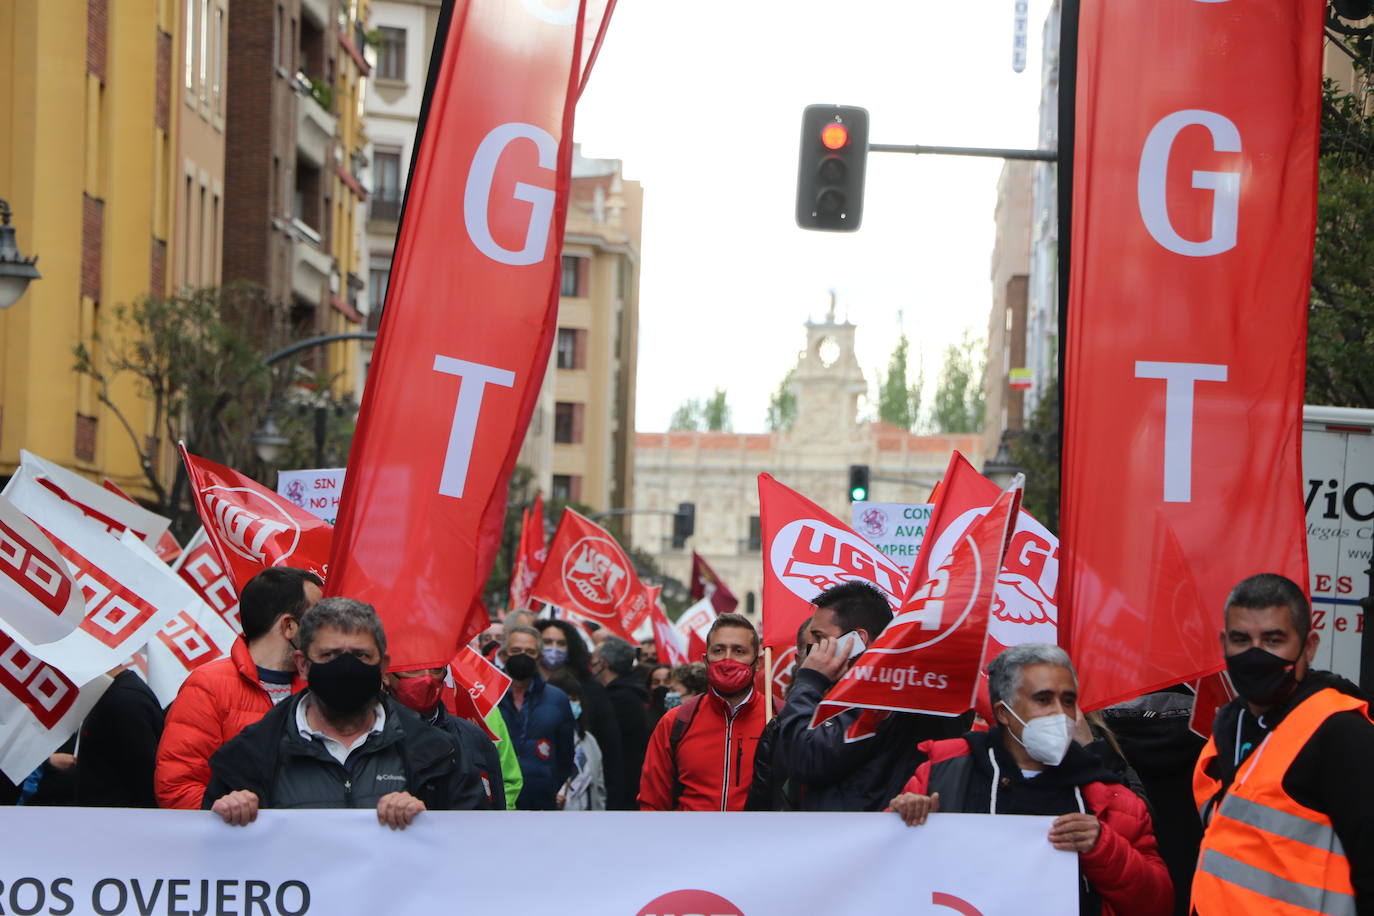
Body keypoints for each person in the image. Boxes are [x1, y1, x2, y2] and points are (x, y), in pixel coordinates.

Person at [890, 643, 1172, 916]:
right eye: (1043, 699)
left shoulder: (1110, 796)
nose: (1060, 713)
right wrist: (902, 823)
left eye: (1068, 701)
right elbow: (885, 875)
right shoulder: (942, 774)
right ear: (1004, 712)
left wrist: (1104, 847)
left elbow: (1158, 905)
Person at [205, 598, 481, 827]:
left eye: (361, 655)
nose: (346, 667)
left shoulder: (439, 753)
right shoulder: (248, 756)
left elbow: (471, 846)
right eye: (329, 655)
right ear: (302, 665)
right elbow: (213, 861)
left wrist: (430, 819)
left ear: (383, 666)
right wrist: (229, 817)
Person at [1192, 573, 1374, 915]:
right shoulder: (1229, 724)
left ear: (1309, 646)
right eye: (1241, 640)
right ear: (1224, 642)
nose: (1255, 654)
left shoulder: (1341, 733)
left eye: (1273, 640)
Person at [775, 581, 966, 811]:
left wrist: (809, 680)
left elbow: (805, 758)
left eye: (819, 638)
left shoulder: (872, 695)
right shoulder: (874, 690)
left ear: (857, 640)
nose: (812, 649)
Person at [156, 567, 323, 808]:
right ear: (289, 626)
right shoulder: (208, 686)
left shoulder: (319, 688)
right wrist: (226, 810)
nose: (328, 628)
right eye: (318, 618)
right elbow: (176, 787)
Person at [638, 613, 768, 811]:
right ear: (706, 660)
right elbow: (652, 802)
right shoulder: (675, 722)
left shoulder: (778, 718)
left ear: (757, 662)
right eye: (719, 650)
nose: (727, 659)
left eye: (739, 651)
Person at [385, 667, 506, 810]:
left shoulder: (474, 736)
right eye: (413, 669)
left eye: (436, 669)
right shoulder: (371, 734)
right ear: (386, 676)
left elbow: (496, 812)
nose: (427, 679)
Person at [536, 618, 624, 805]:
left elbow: (609, 746)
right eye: (547, 642)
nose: (554, 648)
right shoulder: (523, 686)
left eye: (561, 643)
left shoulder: (590, 689)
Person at [497, 625, 575, 810]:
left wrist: (549, 785)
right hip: (498, 801)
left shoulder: (557, 699)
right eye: (516, 650)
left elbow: (566, 756)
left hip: (541, 804)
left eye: (530, 652)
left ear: (539, 656)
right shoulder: (489, 697)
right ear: (504, 654)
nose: (522, 656)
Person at [75, 664, 165, 807]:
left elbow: (145, 772)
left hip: (121, 815)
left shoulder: (126, 699)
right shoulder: (109, 691)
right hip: (104, 812)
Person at [593, 636, 650, 809]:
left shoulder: (615, 700)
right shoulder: (634, 693)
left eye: (593, 660)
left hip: (621, 789)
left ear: (602, 664)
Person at [548, 672, 606, 810]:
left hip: (585, 818)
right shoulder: (540, 740)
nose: (570, 704)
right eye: (565, 699)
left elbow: (598, 788)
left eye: (574, 698)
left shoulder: (588, 741)